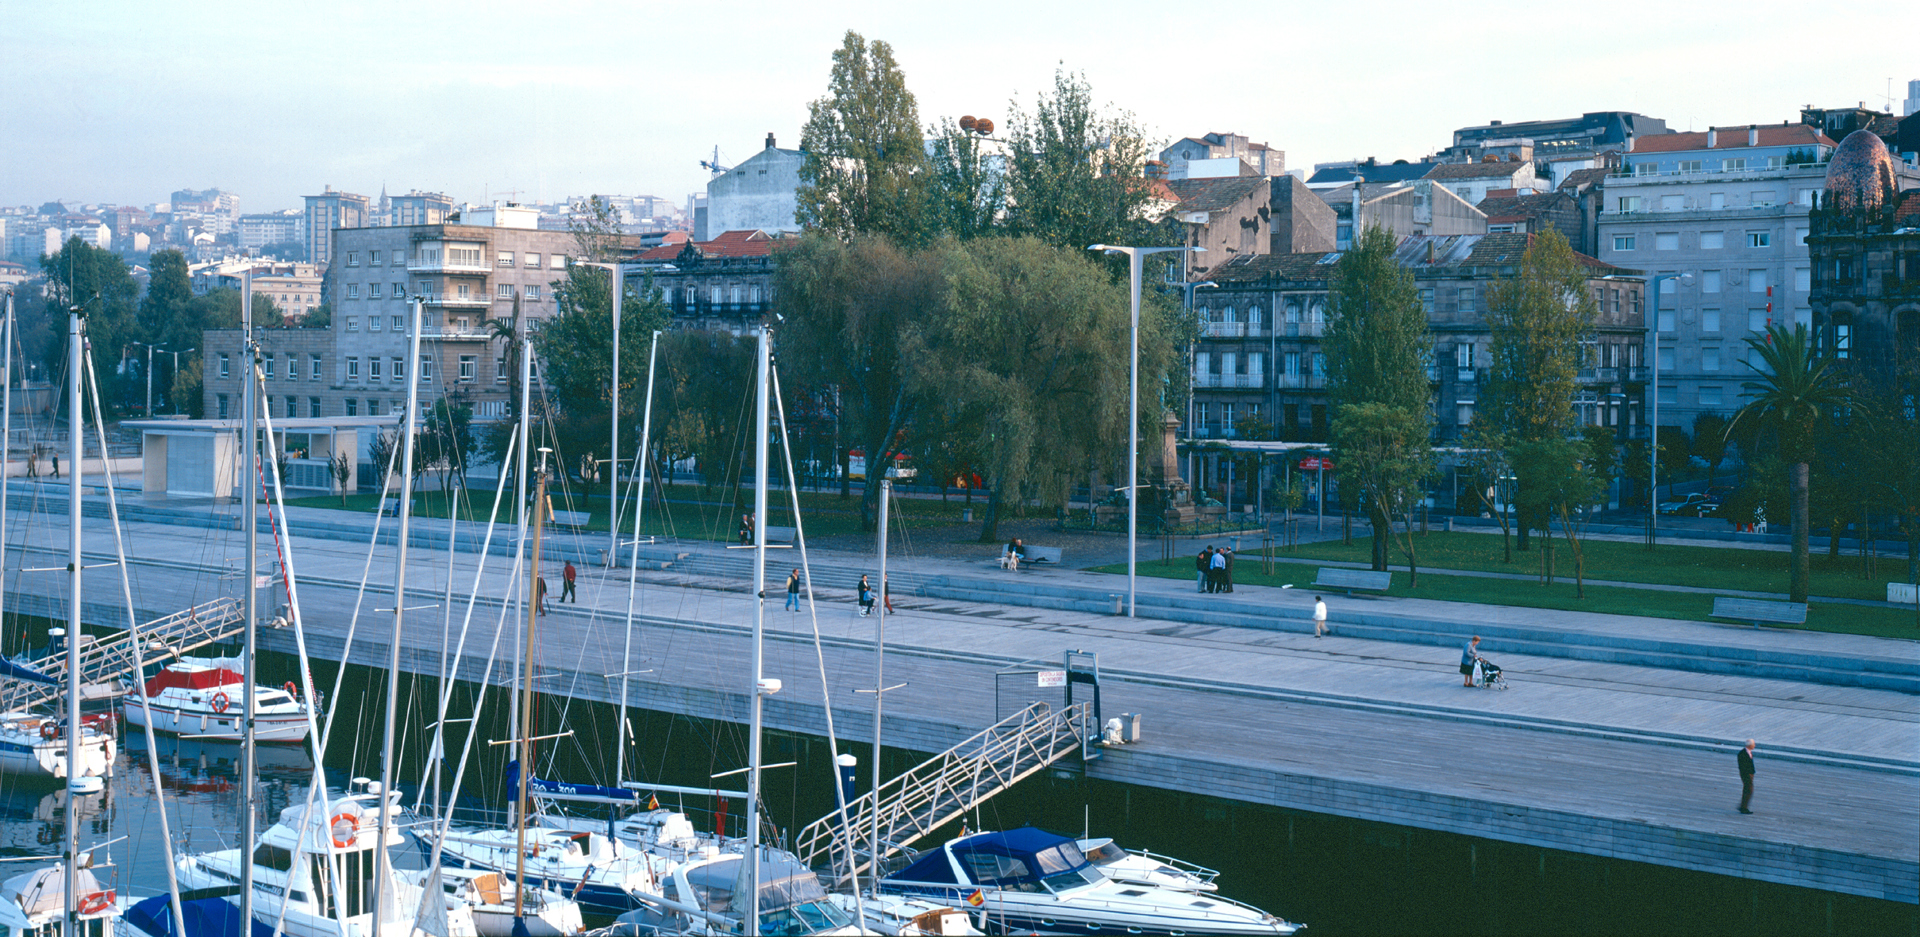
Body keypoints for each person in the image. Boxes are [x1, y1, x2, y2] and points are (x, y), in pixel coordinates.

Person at [1737, 739, 1757, 814]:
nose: (1754, 745)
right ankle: (1743, 807)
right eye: (1753, 744)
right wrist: (1748, 773)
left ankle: (1743, 806)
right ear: (1750, 745)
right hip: (1746, 774)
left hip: (1749, 774)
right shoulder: (1742, 753)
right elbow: (1742, 766)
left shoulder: (1748, 752)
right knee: (1748, 790)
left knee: (1747, 790)